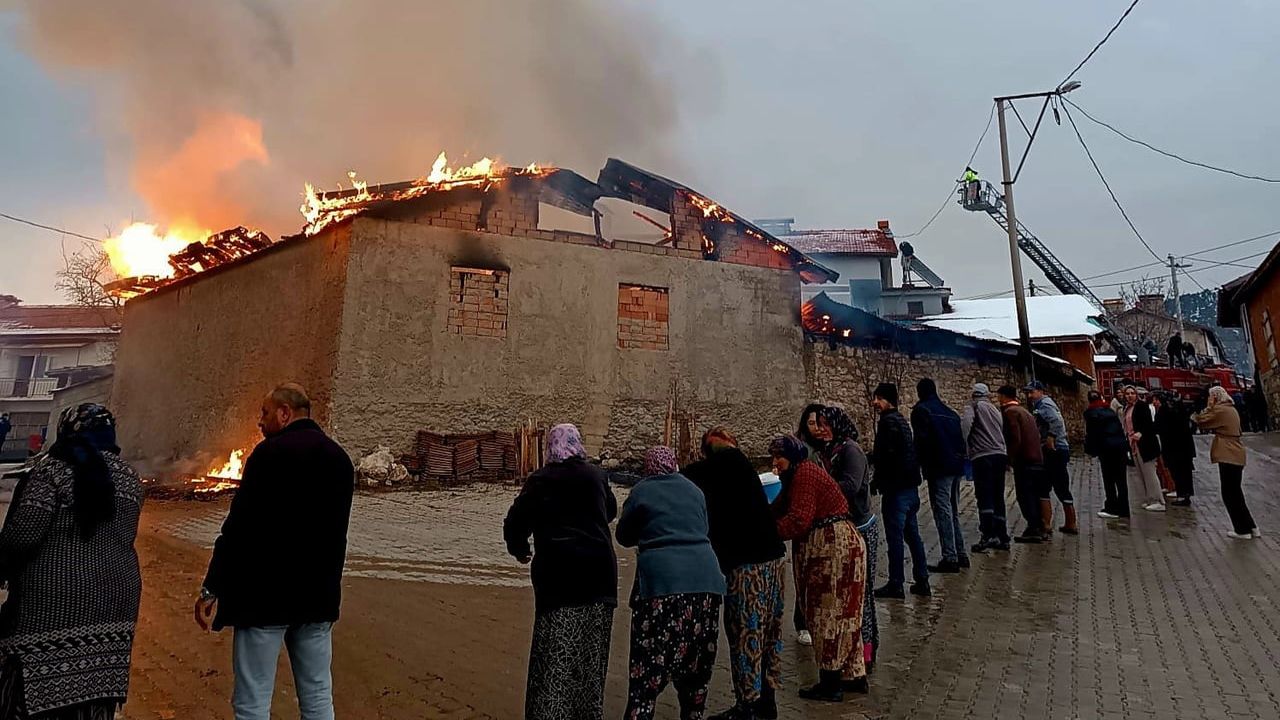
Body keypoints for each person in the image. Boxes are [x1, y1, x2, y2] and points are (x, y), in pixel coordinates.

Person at [195, 384, 355, 720]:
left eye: (265, 413)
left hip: (263, 600)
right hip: (317, 598)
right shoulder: (339, 459)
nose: (260, 421)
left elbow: (239, 528)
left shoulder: (269, 455)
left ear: (285, 413)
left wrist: (212, 586)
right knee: (318, 697)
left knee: (252, 702)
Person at [0, 404, 142, 720]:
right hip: (116, 606)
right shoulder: (131, 478)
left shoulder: (51, 471)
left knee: (26, 697)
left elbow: (22, 536)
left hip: (51, 608)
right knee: (93, 697)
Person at [503, 423, 617, 720]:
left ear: (550, 447)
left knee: (554, 658)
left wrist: (520, 549)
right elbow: (611, 511)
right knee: (590, 659)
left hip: (559, 580)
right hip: (600, 578)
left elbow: (515, 523)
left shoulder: (541, 480)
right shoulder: (596, 476)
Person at [682, 429, 787, 720]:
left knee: (746, 633)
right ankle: (767, 700)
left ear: (707, 450)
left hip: (748, 564)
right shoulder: (743, 466)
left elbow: (684, 480)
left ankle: (748, 706)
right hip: (774, 559)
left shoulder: (715, 467)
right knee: (769, 633)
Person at [617, 447, 725, 720]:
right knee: (697, 664)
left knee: (649, 664)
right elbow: (704, 528)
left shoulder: (642, 491)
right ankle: (693, 713)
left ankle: (641, 713)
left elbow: (624, 535)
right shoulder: (694, 490)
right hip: (705, 581)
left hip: (662, 584)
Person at [770, 435, 866, 703]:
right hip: (842, 543)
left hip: (831, 547)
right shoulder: (798, 475)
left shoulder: (804, 475)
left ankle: (831, 682)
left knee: (827, 612)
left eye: (779, 457)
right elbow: (779, 508)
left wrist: (768, 534)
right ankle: (853, 675)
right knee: (846, 612)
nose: (775, 463)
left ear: (792, 456)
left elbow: (799, 519)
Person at [817, 406, 879, 675]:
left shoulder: (851, 450)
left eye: (825, 424)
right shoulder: (829, 450)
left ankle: (867, 650)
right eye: (819, 424)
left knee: (863, 592)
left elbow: (851, 486)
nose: (821, 429)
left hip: (860, 525)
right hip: (843, 524)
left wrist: (821, 489)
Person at [869, 383, 930, 598]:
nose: (875, 402)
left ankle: (896, 583)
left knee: (895, 537)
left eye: (879, 398)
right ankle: (922, 579)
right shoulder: (902, 421)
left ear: (888, 400)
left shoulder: (888, 423)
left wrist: (877, 479)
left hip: (896, 489)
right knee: (912, 535)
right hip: (910, 488)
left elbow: (887, 456)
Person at [910, 378, 969, 573]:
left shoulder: (922, 411)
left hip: (939, 467)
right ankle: (960, 553)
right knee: (952, 510)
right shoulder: (951, 413)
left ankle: (950, 557)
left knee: (942, 511)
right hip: (955, 466)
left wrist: (917, 466)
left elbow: (921, 441)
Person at [1195, 387, 1258, 540]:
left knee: (1229, 493)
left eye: (1210, 396)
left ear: (1215, 397)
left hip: (1228, 453)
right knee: (1236, 492)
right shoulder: (1230, 408)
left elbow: (1201, 420)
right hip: (1236, 452)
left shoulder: (1220, 410)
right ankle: (1251, 526)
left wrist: (1209, 406)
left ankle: (1242, 530)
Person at [789, 403, 827, 646]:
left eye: (820, 423)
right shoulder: (803, 451)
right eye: (812, 423)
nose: (816, 428)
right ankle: (802, 622)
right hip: (806, 518)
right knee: (804, 572)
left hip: (822, 518)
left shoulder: (828, 448)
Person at [962, 383, 1010, 552]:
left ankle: (987, 534)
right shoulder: (994, 409)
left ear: (974, 394)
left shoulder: (974, 406)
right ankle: (1002, 535)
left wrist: (964, 447)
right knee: (998, 495)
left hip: (983, 455)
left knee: (984, 495)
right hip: (1000, 454)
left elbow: (965, 426)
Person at [1025, 381, 1078, 535]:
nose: (1029, 395)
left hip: (1054, 450)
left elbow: (1056, 421)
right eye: (1028, 393)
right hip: (1055, 450)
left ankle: (1054, 523)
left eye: (1032, 392)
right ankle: (1057, 523)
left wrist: (1051, 437)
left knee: (1051, 486)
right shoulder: (1040, 405)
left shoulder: (1045, 404)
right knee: (1053, 486)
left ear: (1040, 391)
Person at [996, 385, 1047, 543]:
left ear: (1003, 396)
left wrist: (1009, 457)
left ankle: (1033, 527)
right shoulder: (1025, 411)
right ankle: (1040, 526)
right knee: (1035, 494)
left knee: (1025, 495)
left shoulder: (1010, 412)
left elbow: (1015, 437)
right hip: (1037, 458)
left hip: (1024, 459)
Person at [1084, 391, 1131, 519]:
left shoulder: (1091, 413)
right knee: (1121, 480)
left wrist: (1091, 451)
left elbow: (1092, 433)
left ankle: (1112, 507)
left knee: (1109, 479)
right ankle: (1124, 509)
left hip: (1106, 448)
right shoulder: (1110, 411)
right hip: (1120, 446)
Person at [1120, 386, 1164, 513]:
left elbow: (1148, 423)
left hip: (1145, 444)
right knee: (1141, 473)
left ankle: (1158, 500)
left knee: (1149, 473)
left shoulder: (1141, 406)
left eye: (1132, 393)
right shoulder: (1127, 408)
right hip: (1133, 443)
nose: (1130, 396)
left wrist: (1141, 432)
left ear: (1136, 394)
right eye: (1127, 394)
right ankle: (1149, 498)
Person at [1153, 393, 1196, 506]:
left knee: (1177, 472)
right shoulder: (1181, 409)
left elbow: (1158, 427)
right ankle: (1185, 495)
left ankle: (1182, 495)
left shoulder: (1164, 411)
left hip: (1172, 447)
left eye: (1155, 400)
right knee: (1185, 472)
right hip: (1185, 447)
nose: (1154, 402)